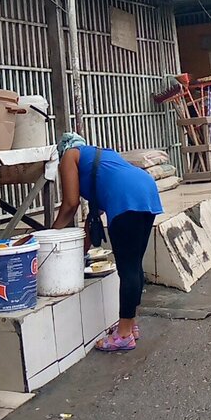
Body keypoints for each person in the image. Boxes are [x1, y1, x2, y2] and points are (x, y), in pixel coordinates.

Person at [54, 133, 163, 352]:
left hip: (125, 199)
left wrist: (51, 235)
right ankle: (130, 324)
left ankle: (123, 335)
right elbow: (92, 219)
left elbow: (70, 204)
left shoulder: (69, 156)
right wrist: (79, 252)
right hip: (146, 190)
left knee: (128, 268)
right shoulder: (100, 157)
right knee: (134, 264)